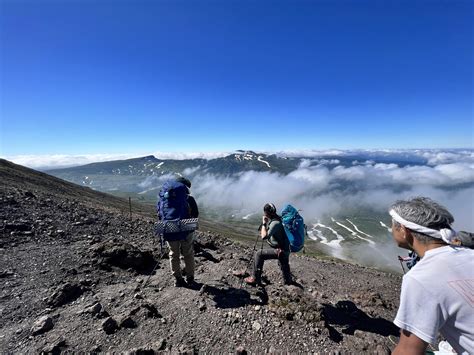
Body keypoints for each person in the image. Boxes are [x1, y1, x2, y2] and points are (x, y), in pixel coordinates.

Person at [389, 197, 474, 354]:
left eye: (393, 226)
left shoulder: (420, 278)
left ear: (404, 230)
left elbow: (407, 351)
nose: (391, 230)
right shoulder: (469, 254)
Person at [158, 176, 199, 287]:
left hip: (168, 228)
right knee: (188, 253)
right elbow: (195, 214)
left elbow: (160, 215)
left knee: (173, 254)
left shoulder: (164, 199)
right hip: (186, 228)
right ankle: (190, 279)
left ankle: (178, 279)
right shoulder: (189, 199)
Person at [244, 203, 292, 286]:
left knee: (259, 254)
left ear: (266, 213)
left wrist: (263, 223)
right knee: (283, 263)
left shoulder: (275, 223)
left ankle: (254, 278)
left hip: (281, 250)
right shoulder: (279, 219)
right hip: (285, 248)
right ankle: (288, 281)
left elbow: (264, 236)